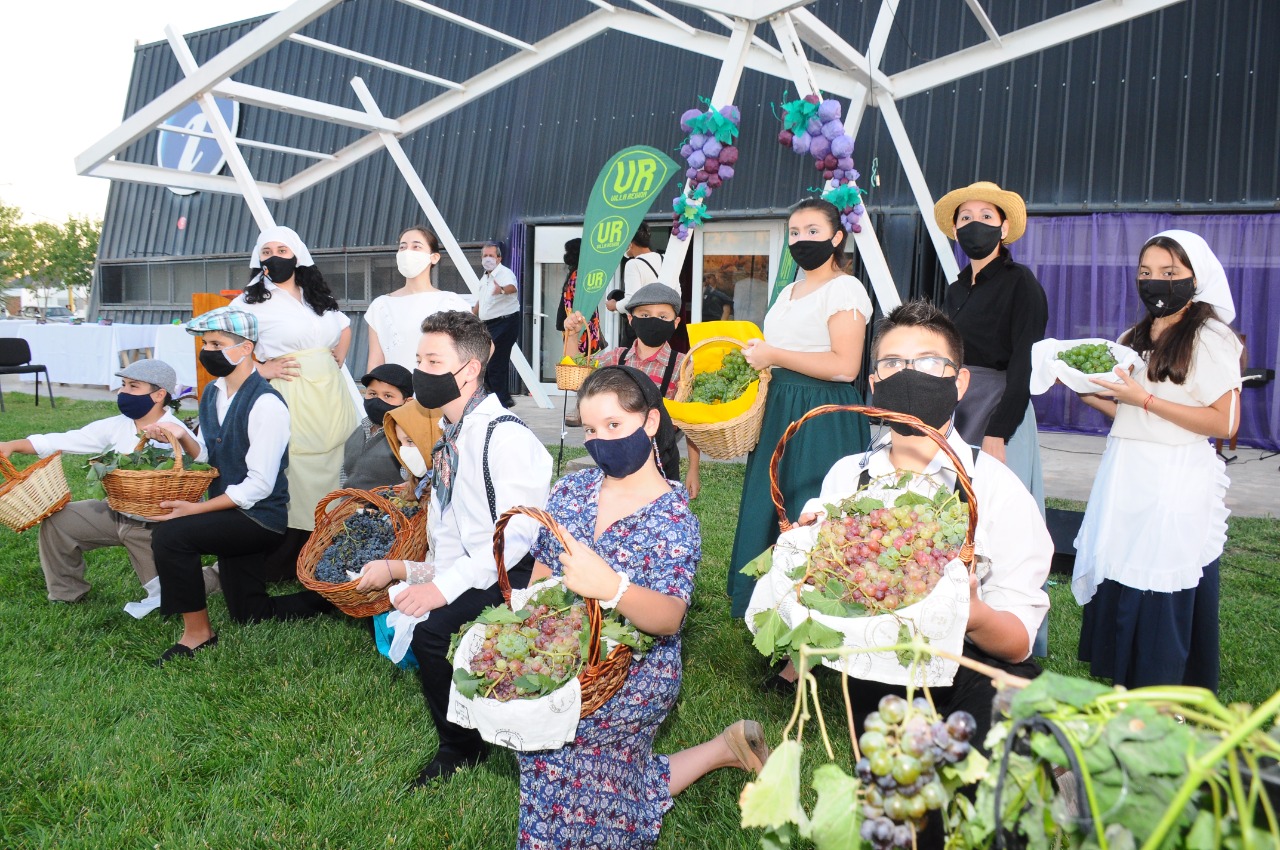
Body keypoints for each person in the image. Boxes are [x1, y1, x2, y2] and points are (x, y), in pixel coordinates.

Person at [778, 301, 1051, 754]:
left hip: (970, 666)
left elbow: (1018, 642)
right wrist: (808, 562)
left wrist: (973, 611)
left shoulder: (995, 488)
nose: (908, 375)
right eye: (892, 364)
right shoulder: (847, 477)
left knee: (979, 786)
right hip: (876, 668)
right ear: (874, 384)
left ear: (959, 382)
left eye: (927, 363)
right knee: (901, 795)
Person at [516, 365, 769, 850]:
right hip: (565, 655)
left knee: (569, 753)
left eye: (615, 425)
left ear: (651, 422)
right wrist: (531, 636)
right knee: (578, 763)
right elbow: (541, 577)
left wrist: (611, 588)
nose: (601, 440)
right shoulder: (571, 491)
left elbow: (668, 618)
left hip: (634, 668)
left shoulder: (673, 516)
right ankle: (724, 748)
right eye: (591, 429)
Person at [354, 310, 551, 783]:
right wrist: (401, 568)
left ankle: (461, 747)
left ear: (469, 370)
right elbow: (451, 542)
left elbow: (517, 537)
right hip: (475, 567)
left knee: (431, 634)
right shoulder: (451, 433)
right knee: (413, 618)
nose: (420, 370)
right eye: (419, 358)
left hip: (517, 572)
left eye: (433, 360)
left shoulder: (505, 439)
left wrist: (443, 591)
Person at [1072, 231, 1241, 694]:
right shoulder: (1135, 337)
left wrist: (1142, 398)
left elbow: (1223, 420)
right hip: (1127, 472)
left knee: (1161, 589)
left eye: (1170, 273)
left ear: (1195, 277)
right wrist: (1088, 393)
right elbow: (1132, 412)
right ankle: (1125, 694)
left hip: (1174, 479)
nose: (1155, 283)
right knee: (1124, 583)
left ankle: (1166, 702)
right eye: (1146, 273)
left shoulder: (1210, 337)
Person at [150, 308, 332, 666]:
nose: (208, 350)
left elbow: (259, 487)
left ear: (246, 348)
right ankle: (327, 602)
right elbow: (208, 452)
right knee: (251, 612)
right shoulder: (212, 394)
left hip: (258, 519)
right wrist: (179, 434)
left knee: (172, 535)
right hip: (231, 510)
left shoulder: (266, 403)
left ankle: (198, 635)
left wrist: (194, 510)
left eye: (217, 343)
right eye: (205, 343)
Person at [727, 198, 873, 618]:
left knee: (811, 503)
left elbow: (845, 367)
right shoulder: (789, 290)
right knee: (773, 497)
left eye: (813, 231)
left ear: (837, 237)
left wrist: (774, 353)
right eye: (794, 232)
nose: (801, 240)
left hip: (822, 411)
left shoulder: (845, 288)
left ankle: (815, 603)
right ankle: (765, 600)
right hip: (781, 405)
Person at [0, 359, 214, 611]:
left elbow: (201, 457)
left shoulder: (177, 430)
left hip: (159, 525)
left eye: (133, 386)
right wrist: (13, 445)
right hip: (115, 511)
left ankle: (222, 574)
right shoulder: (116, 425)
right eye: (123, 385)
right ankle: (66, 593)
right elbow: (68, 439)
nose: (123, 392)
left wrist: (183, 438)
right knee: (59, 522)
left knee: (171, 592)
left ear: (158, 395)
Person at [232, 225, 359, 574]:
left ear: (298, 255)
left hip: (331, 395)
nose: (275, 257)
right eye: (267, 251)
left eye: (283, 250)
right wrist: (262, 368)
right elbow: (228, 346)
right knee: (297, 469)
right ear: (259, 258)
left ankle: (331, 545)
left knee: (338, 462)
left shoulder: (314, 294)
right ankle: (289, 556)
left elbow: (343, 326)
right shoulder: (247, 302)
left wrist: (338, 356)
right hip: (291, 393)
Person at [934, 182, 1048, 511]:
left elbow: (1025, 363)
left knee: (996, 505)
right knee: (955, 504)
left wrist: (999, 431)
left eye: (986, 215)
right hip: (959, 403)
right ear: (956, 230)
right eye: (966, 218)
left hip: (1000, 406)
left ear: (1004, 227)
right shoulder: (955, 289)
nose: (976, 224)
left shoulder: (1021, 283)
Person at [566, 283, 703, 497]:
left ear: (676, 322)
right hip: (616, 458)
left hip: (662, 462)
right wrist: (573, 336)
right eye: (645, 315)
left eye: (663, 316)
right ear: (631, 319)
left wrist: (694, 469)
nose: (654, 321)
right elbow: (575, 373)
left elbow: (693, 422)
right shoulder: (615, 358)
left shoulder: (682, 366)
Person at [365, 226, 470, 372]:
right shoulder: (381, 305)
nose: (408, 252)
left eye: (416, 246)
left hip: (439, 391)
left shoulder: (452, 302)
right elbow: (375, 361)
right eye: (403, 247)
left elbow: (480, 349)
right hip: (396, 391)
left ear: (434, 257)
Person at [341, 363, 413, 491]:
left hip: (386, 509)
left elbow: (411, 485)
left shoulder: (406, 439)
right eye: (373, 394)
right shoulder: (357, 433)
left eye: (388, 396)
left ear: (407, 402)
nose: (377, 401)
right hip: (348, 507)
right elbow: (345, 477)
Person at [471, 241, 520, 408]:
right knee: (488, 361)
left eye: (491, 255)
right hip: (489, 324)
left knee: (496, 361)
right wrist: (473, 314)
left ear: (499, 258)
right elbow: (482, 299)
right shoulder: (485, 276)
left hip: (505, 322)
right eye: (485, 256)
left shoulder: (504, 273)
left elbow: (513, 287)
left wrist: (502, 290)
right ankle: (495, 397)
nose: (488, 259)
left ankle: (502, 401)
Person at [605, 223, 668, 349]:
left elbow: (631, 300)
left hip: (641, 324)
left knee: (630, 363)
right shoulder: (664, 259)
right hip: (663, 322)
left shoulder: (633, 264)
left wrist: (614, 305)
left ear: (630, 243)